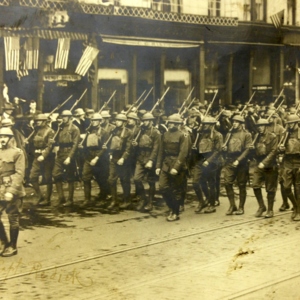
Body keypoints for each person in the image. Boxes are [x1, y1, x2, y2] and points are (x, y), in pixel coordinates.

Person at [156, 114, 189, 221]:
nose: (170, 125)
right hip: (166, 164)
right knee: (162, 187)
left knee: (176, 190)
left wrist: (176, 167)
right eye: (169, 123)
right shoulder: (164, 135)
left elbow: (183, 153)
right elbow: (160, 152)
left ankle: (175, 212)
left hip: (177, 165)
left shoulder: (183, 135)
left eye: (173, 123)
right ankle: (172, 207)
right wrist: (158, 166)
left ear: (178, 124)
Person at [0, 127, 25, 257]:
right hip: (0, 190)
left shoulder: (17, 153)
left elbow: (19, 174)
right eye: (0, 137)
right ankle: (4, 242)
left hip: (13, 191)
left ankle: (13, 246)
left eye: (4, 137)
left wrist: (11, 191)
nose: (2, 139)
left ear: (10, 139)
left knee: (13, 218)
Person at [222, 114, 252, 215]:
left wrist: (238, 160)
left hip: (241, 162)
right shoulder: (229, 134)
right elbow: (225, 146)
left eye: (236, 122)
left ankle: (241, 207)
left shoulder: (247, 134)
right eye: (233, 122)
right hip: (230, 160)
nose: (234, 124)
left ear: (241, 124)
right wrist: (224, 150)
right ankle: (232, 205)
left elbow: (248, 149)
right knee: (227, 183)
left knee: (241, 185)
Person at [192, 116, 223, 214]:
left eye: (207, 124)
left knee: (211, 183)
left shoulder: (217, 135)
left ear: (212, 125)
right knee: (196, 182)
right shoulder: (200, 135)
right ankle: (202, 201)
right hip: (200, 160)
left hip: (212, 162)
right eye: (204, 124)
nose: (204, 126)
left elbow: (218, 150)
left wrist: (209, 161)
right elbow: (198, 147)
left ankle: (212, 204)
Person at [132, 112, 161, 212]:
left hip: (150, 158)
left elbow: (156, 148)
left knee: (151, 181)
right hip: (140, 158)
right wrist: (135, 144)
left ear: (151, 121)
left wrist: (151, 160)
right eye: (143, 121)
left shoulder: (156, 133)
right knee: (136, 179)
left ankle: (150, 202)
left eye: (146, 121)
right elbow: (136, 143)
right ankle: (143, 199)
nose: (144, 123)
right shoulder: (140, 131)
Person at [105, 113, 133, 213]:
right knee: (111, 179)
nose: (117, 122)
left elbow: (129, 148)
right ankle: (114, 200)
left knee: (124, 180)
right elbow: (109, 144)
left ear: (124, 122)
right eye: (116, 120)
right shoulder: (113, 131)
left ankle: (127, 200)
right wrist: (110, 153)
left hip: (123, 159)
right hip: (114, 158)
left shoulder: (128, 132)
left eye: (119, 120)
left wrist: (123, 158)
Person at [51, 110, 80, 207]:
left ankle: (70, 199)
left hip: (69, 153)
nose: (63, 118)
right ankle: (61, 197)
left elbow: (75, 145)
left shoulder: (75, 129)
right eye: (62, 116)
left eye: (65, 117)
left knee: (70, 177)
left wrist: (69, 157)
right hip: (60, 153)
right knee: (55, 174)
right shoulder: (60, 128)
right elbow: (57, 140)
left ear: (70, 118)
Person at [80, 113, 109, 207]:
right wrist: (82, 147)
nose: (93, 122)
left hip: (100, 158)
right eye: (92, 120)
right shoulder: (89, 131)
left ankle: (104, 197)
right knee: (85, 177)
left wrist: (97, 158)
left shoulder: (104, 132)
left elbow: (104, 148)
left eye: (96, 120)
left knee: (101, 178)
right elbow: (85, 145)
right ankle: (87, 199)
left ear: (100, 121)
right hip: (89, 157)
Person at [251, 118, 278, 218]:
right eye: (258, 126)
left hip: (270, 165)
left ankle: (270, 210)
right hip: (259, 164)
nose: (260, 128)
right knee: (255, 185)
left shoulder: (272, 137)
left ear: (266, 126)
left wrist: (264, 162)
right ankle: (262, 206)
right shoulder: (256, 136)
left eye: (261, 126)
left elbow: (273, 151)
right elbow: (255, 151)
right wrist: (251, 150)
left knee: (270, 189)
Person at [29, 114, 55, 206]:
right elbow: (32, 143)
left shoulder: (50, 131)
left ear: (44, 121)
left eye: (39, 121)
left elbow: (50, 145)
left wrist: (44, 155)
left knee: (48, 178)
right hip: (37, 156)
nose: (37, 122)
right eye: (37, 121)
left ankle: (47, 199)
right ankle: (40, 196)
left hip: (47, 158)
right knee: (32, 177)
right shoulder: (35, 130)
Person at [278, 114, 300, 221]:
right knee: (286, 187)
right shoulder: (285, 134)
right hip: (287, 162)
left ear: (296, 123)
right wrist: (281, 148)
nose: (290, 125)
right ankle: (295, 206)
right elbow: (280, 149)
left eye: (291, 123)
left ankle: (298, 211)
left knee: (298, 188)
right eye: (288, 124)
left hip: (298, 162)